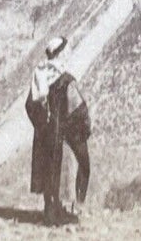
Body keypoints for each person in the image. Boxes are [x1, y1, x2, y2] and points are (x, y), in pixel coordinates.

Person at [24, 37, 91, 226]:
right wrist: (81, 129)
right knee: (60, 167)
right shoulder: (65, 79)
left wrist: (41, 124)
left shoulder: (40, 75)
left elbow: (29, 105)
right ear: (61, 54)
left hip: (44, 133)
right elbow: (77, 108)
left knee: (48, 170)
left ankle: (50, 210)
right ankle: (60, 214)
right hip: (58, 131)